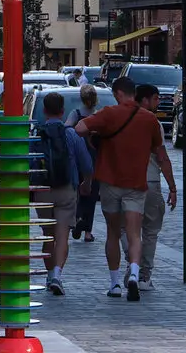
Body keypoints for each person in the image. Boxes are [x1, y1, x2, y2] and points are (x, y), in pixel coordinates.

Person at [81, 75, 177, 302]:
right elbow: (161, 155)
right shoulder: (150, 120)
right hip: (138, 185)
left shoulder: (108, 114)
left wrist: (95, 138)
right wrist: (172, 187)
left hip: (110, 182)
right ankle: (136, 274)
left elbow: (78, 128)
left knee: (115, 233)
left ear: (117, 94)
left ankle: (115, 283)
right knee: (138, 234)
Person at [133, 83, 176, 290]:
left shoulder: (123, 119)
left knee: (128, 231)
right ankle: (143, 275)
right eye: (156, 98)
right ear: (145, 100)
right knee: (150, 232)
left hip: (126, 182)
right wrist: (173, 188)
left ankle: (130, 271)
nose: (159, 102)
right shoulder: (153, 123)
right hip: (149, 182)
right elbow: (162, 158)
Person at [71, 83, 105, 242]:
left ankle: (77, 218)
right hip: (94, 159)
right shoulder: (98, 115)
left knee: (77, 192)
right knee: (91, 194)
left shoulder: (75, 114)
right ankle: (87, 232)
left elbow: (67, 131)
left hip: (77, 158)